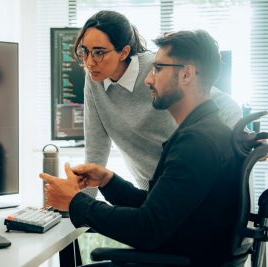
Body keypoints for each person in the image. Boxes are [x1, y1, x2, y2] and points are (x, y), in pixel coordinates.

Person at [40, 30, 242, 266]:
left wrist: (75, 202)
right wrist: (109, 182)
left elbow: (147, 228)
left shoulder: (196, 143)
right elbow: (158, 210)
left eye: (157, 68)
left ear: (187, 74)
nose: (148, 79)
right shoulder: (204, 132)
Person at [75, 10, 241, 191]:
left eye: (99, 52)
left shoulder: (158, 68)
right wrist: (79, 207)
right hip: (149, 186)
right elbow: (95, 150)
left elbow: (222, 103)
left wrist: (238, 140)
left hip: (186, 178)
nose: (89, 62)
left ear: (123, 53)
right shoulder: (94, 78)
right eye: (85, 51)